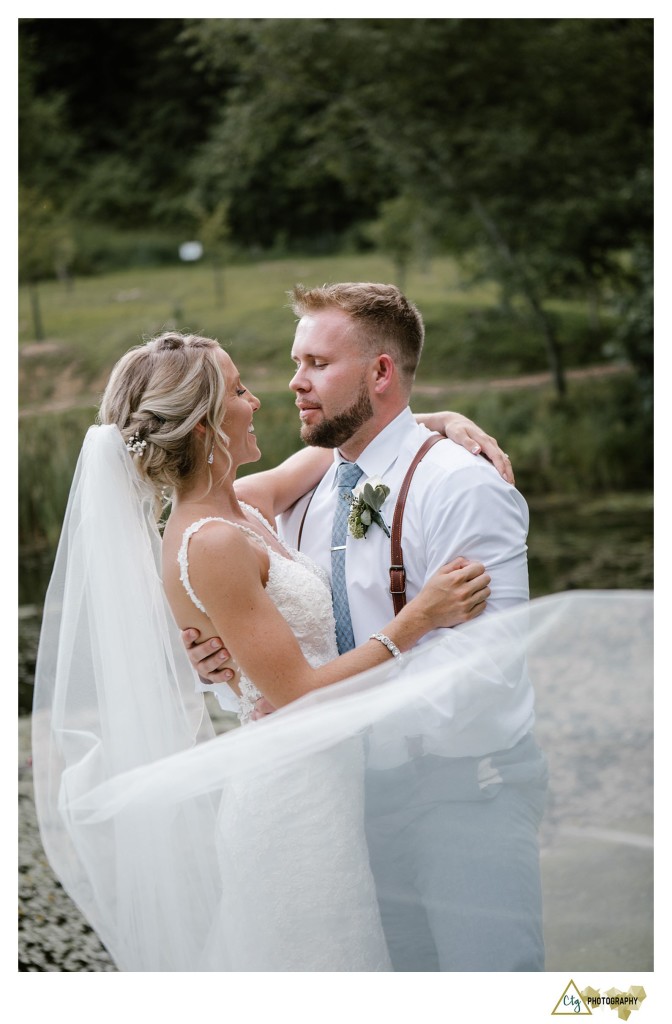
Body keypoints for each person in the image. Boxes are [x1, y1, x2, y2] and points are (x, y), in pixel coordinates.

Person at [32, 329, 498, 971]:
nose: (260, 401)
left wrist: (439, 422)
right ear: (203, 426)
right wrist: (421, 617)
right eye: (241, 389)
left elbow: (347, 453)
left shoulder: (244, 508)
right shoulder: (210, 544)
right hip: (295, 803)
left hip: (339, 782)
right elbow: (298, 694)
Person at [186, 282, 548, 972]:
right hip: (346, 805)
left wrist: (319, 707)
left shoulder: (463, 486)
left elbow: (485, 674)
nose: (293, 383)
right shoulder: (305, 492)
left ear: (380, 372)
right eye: (297, 363)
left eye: (317, 364)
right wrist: (214, 653)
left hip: (460, 792)